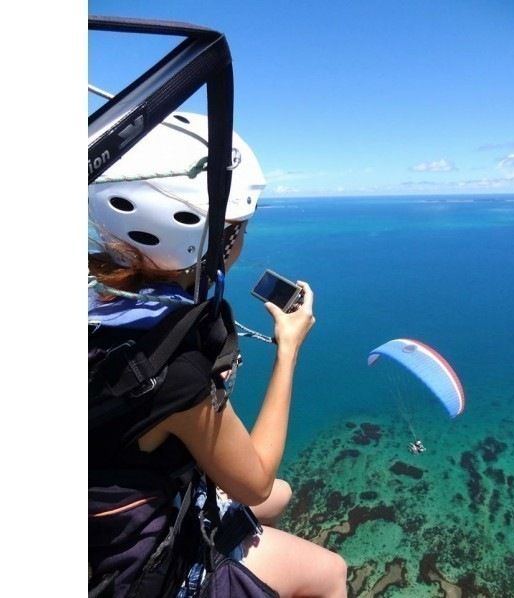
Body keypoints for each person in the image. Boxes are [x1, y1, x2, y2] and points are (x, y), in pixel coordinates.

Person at [88, 112, 347, 598]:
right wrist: (287, 350)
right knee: (330, 570)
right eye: (239, 227)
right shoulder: (172, 367)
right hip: (143, 570)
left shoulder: (96, 306)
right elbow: (257, 486)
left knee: (286, 497)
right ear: (218, 237)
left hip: (109, 505)